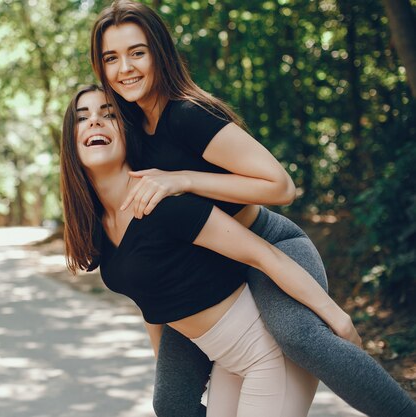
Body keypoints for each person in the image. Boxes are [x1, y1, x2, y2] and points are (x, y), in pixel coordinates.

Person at [87, 1, 416, 417]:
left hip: (267, 242)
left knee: (297, 336)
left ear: (159, 53)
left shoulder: (187, 115)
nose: (125, 68)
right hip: (209, 267)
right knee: (170, 402)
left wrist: (184, 180)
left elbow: (281, 186)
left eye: (137, 52)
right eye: (111, 58)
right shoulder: (131, 129)